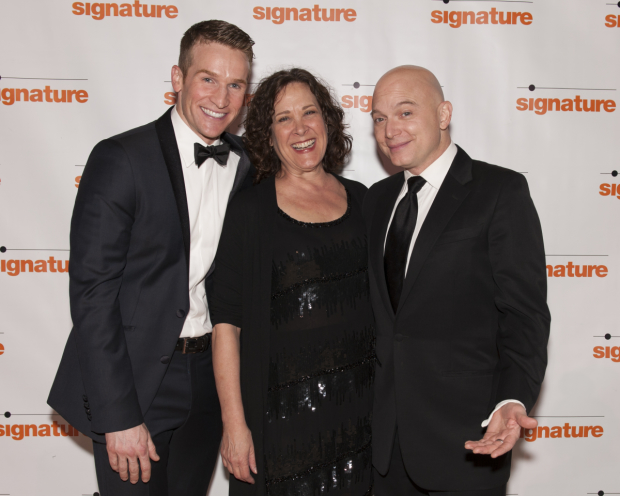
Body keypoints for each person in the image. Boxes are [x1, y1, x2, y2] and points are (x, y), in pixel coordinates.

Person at [47, 20, 255, 495]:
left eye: (235, 84)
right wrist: (118, 415)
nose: (221, 99)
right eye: (208, 79)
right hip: (134, 382)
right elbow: (93, 296)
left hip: (207, 380)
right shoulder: (121, 158)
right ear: (178, 78)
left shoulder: (244, 164)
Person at [364, 65, 551, 496]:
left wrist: (511, 400)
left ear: (444, 114)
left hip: (467, 441)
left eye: (405, 112)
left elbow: (524, 315)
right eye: (378, 118)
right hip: (384, 451)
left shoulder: (499, 190)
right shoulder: (375, 201)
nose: (391, 129)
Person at [209, 68, 374, 496]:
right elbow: (226, 322)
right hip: (277, 424)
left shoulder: (365, 200)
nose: (300, 128)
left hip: (358, 420)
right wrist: (234, 424)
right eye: (283, 118)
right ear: (268, 133)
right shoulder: (250, 210)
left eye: (309, 112)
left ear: (328, 120)